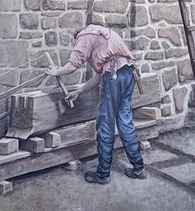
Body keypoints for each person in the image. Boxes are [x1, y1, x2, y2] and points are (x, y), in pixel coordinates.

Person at [46, 24, 145, 184]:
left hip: (113, 77)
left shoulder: (84, 36)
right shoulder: (103, 35)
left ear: (76, 37)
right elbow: (99, 77)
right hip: (128, 73)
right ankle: (139, 168)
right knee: (125, 121)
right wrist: (78, 91)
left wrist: (56, 72)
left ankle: (103, 174)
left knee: (105, 125)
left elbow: (74, 64)